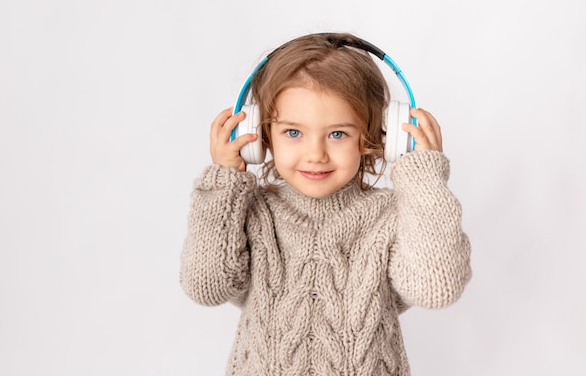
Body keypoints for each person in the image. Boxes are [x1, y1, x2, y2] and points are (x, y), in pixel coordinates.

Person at [180, 33, 471, 376]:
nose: (315, 154)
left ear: (379, 137)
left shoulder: (392, 218)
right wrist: (223, 182)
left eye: (337, 134)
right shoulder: (250, 212)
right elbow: (206, 286)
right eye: (293, 132)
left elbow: (436, 288)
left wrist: (424, 179)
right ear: (259, 135)